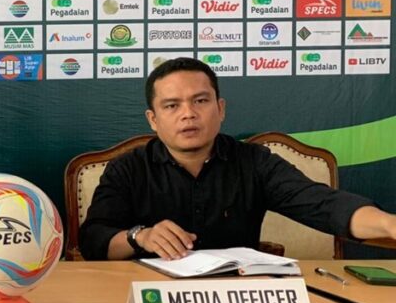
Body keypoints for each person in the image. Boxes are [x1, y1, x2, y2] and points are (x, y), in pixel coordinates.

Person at [80, 57, 396, 261]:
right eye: (172, 106)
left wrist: (387, 223)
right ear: (153, 119)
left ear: (221, 109)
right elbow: (94, 240)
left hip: (236, 295)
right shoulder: (129, 168)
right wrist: (141, 236)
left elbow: (322, 205)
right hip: (147, 294)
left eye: (200, 101)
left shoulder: (254, 162)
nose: (188, 114)